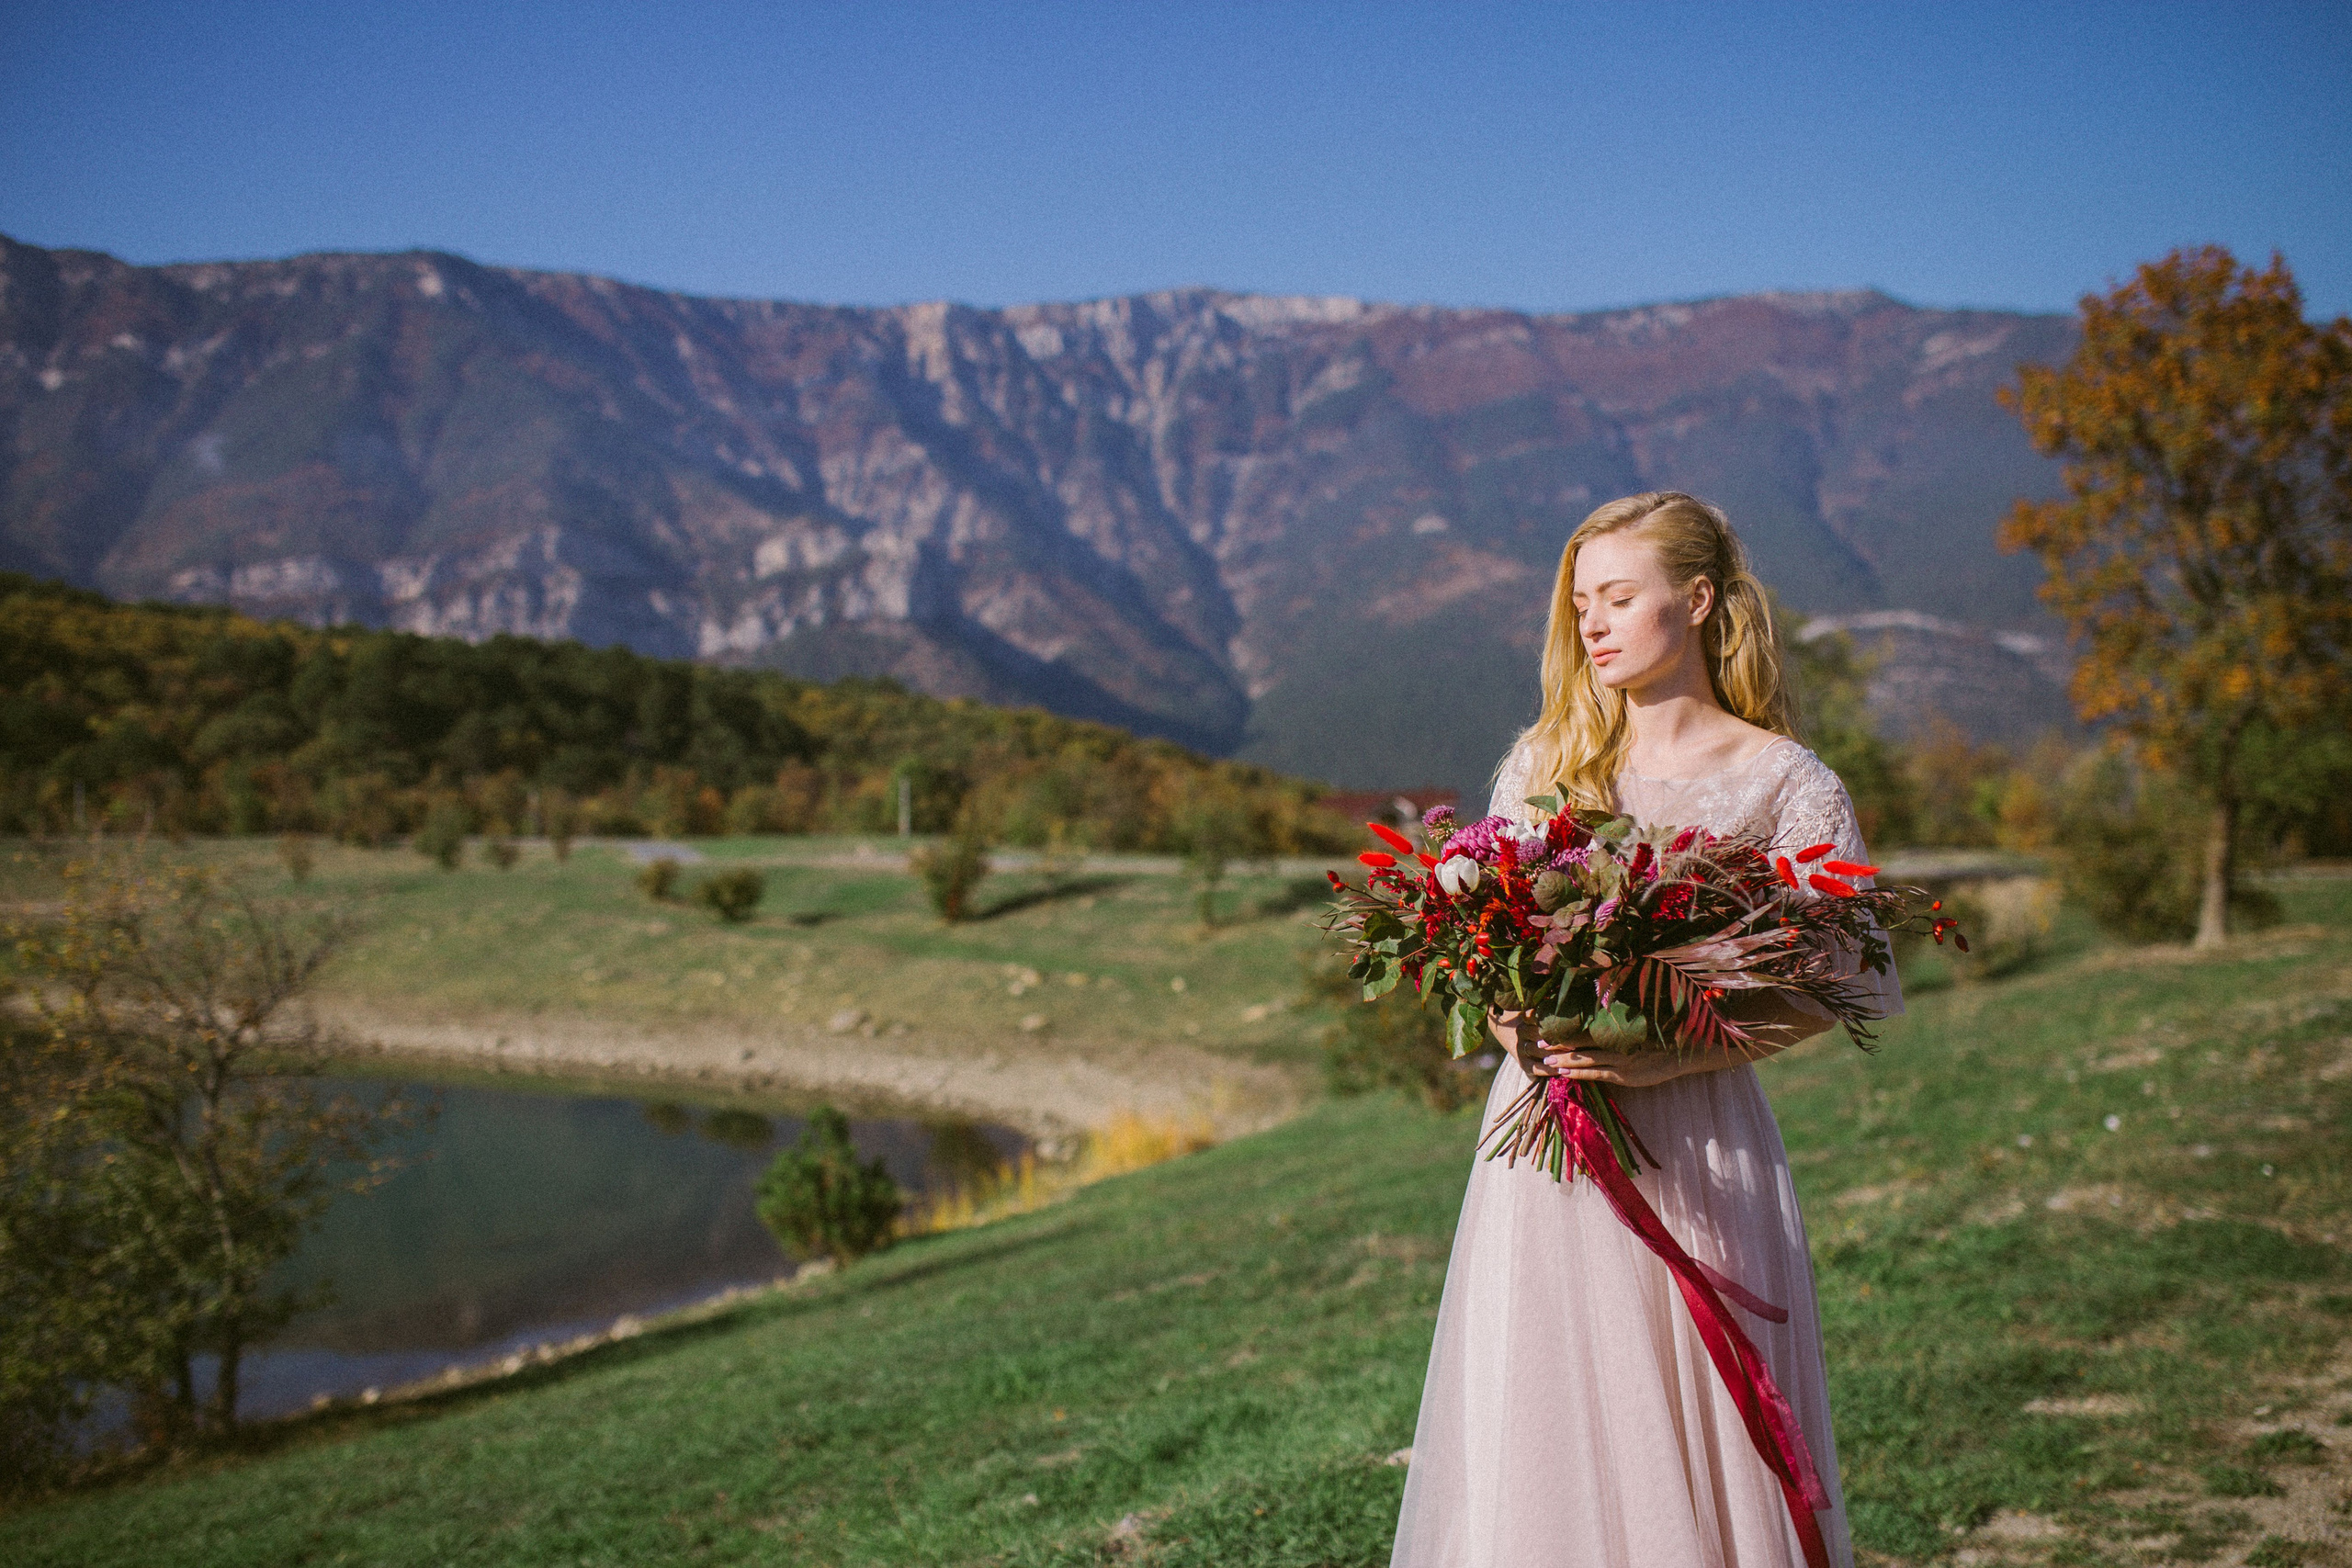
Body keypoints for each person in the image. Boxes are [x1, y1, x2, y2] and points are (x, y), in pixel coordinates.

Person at [1389, 491, 1899, 1568]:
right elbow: (1484, 940)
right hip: (1545, 1147)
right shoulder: (1546, 766)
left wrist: (1679, 1047)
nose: (1594, 625)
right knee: (1548, 1415)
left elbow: (1843, 976)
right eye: (1582, 605)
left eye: (1620, 597)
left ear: (1700, 600)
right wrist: (1510, 1011)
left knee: (1692, 1414)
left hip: (1700, 1135)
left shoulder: (1782, 781)